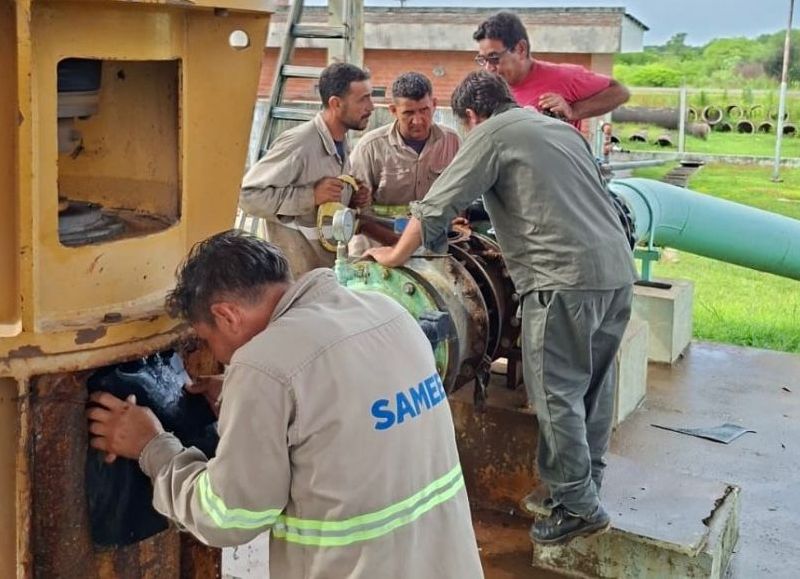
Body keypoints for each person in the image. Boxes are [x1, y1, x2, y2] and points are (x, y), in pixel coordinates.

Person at [86, 230, 484, 579]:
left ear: (226, 315)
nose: (216, 353)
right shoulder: (387, 311)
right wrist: (240, 397)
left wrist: (152, 449)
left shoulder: (265, 367)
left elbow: (229, 517)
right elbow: (345, 408)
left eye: (207, 339)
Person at [365, 71, 637, 546]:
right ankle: (578, 485)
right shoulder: (558, 130)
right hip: (615, 273)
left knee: (556, 392)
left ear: (471, 115)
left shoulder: (491, 133)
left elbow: (434, 208)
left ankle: (577, 507)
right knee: (593, 386)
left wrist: (390, 256)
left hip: (561, 282)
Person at [239, 63, 373, 279]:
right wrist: (310, 195)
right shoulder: (300, 143)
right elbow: (247, 196)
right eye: (363, 99)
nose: (371, 107)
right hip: (297, 281)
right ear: (336, 103)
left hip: (327, 275)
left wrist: (352, 198)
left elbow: (326, 209)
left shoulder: (341, 141)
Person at [349, 72, 460, 254]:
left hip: (433, 251)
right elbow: (356, 213)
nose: (417, 120)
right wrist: (401, 246)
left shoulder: (452, 141)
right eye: (408, 113)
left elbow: (460, 193)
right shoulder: (370, 147)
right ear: (393, 110)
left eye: (424, 110)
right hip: (376, 250)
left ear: (434, 104)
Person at [473, 11, 629, 130]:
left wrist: (573, 111)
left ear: (520, 49)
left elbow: (620, 92)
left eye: (494, 58)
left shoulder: (564, 77)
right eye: (483, 60)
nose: (489, 68)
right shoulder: (488, 88)